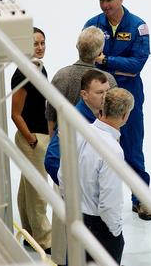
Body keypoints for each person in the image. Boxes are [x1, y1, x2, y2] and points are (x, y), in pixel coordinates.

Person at [84, 0, 151, 221]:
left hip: (128, 98)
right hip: (97, 99)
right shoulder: (92, 25)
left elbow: (137, 65)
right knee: (93, 149)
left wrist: (106, 61)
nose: (105, 5)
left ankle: (141, 198)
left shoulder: (138, 26)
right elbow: (86, 58)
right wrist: (112, 65)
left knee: (133, 149)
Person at [45, 68, 114, 266]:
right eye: (100, 93)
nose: (106, 96)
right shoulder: (74, 120)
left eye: (107, 91)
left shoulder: (99, 115)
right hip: (81, 201)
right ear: (84, 94)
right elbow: (51, 159)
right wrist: (75, 188)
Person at [58, 87, 134, 265]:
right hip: (100, 229)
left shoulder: (78, 133)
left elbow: (62, 176)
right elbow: (109, 202)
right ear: (125, 116)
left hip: (76, 218)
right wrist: (115, 232)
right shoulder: (113, 150)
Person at [10, 27, 51, 253]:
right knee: (38, 193)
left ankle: (30, 233)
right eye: (35, 44)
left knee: (28, 188)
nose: (40, 47)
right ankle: (45, 239)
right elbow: (15, 113)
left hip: (36, 136)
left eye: (42, 42)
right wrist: (32, 140)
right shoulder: (23, 73)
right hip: (33, 138)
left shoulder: (38, 68)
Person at [45, 26, 115, 136]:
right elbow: (114, 120)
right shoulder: (108, 81)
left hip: (65, 142)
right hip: (98, 144)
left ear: (77, 46)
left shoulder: (61, 75)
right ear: (100, 52)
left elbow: (51, 115)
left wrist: (52, 144)